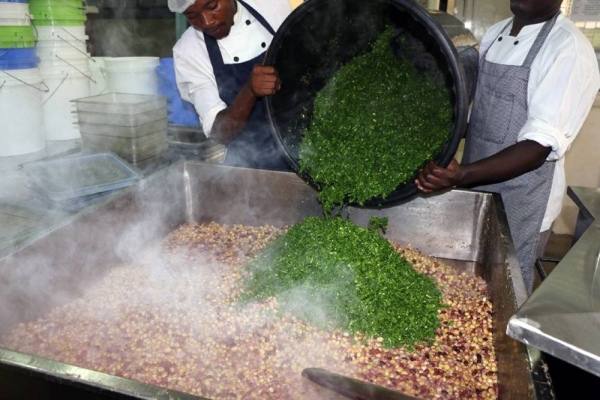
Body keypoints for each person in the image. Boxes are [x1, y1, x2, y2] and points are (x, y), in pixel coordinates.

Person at [415, 0, 600, 295]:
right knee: (465, 283)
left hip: (522, 201)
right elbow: (477, 117)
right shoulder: (495, 33)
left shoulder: (568, 50)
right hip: (476, 187)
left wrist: (461, 175)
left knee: (502, 292)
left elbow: (538, 146)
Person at [167, 0, 293, 170]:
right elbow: (220, 134)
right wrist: (249, 91)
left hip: (310, 147)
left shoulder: (272, 5)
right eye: (192, 16)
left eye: (212, 7)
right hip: (250, 166)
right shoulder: (189, 51)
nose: (207, 22)